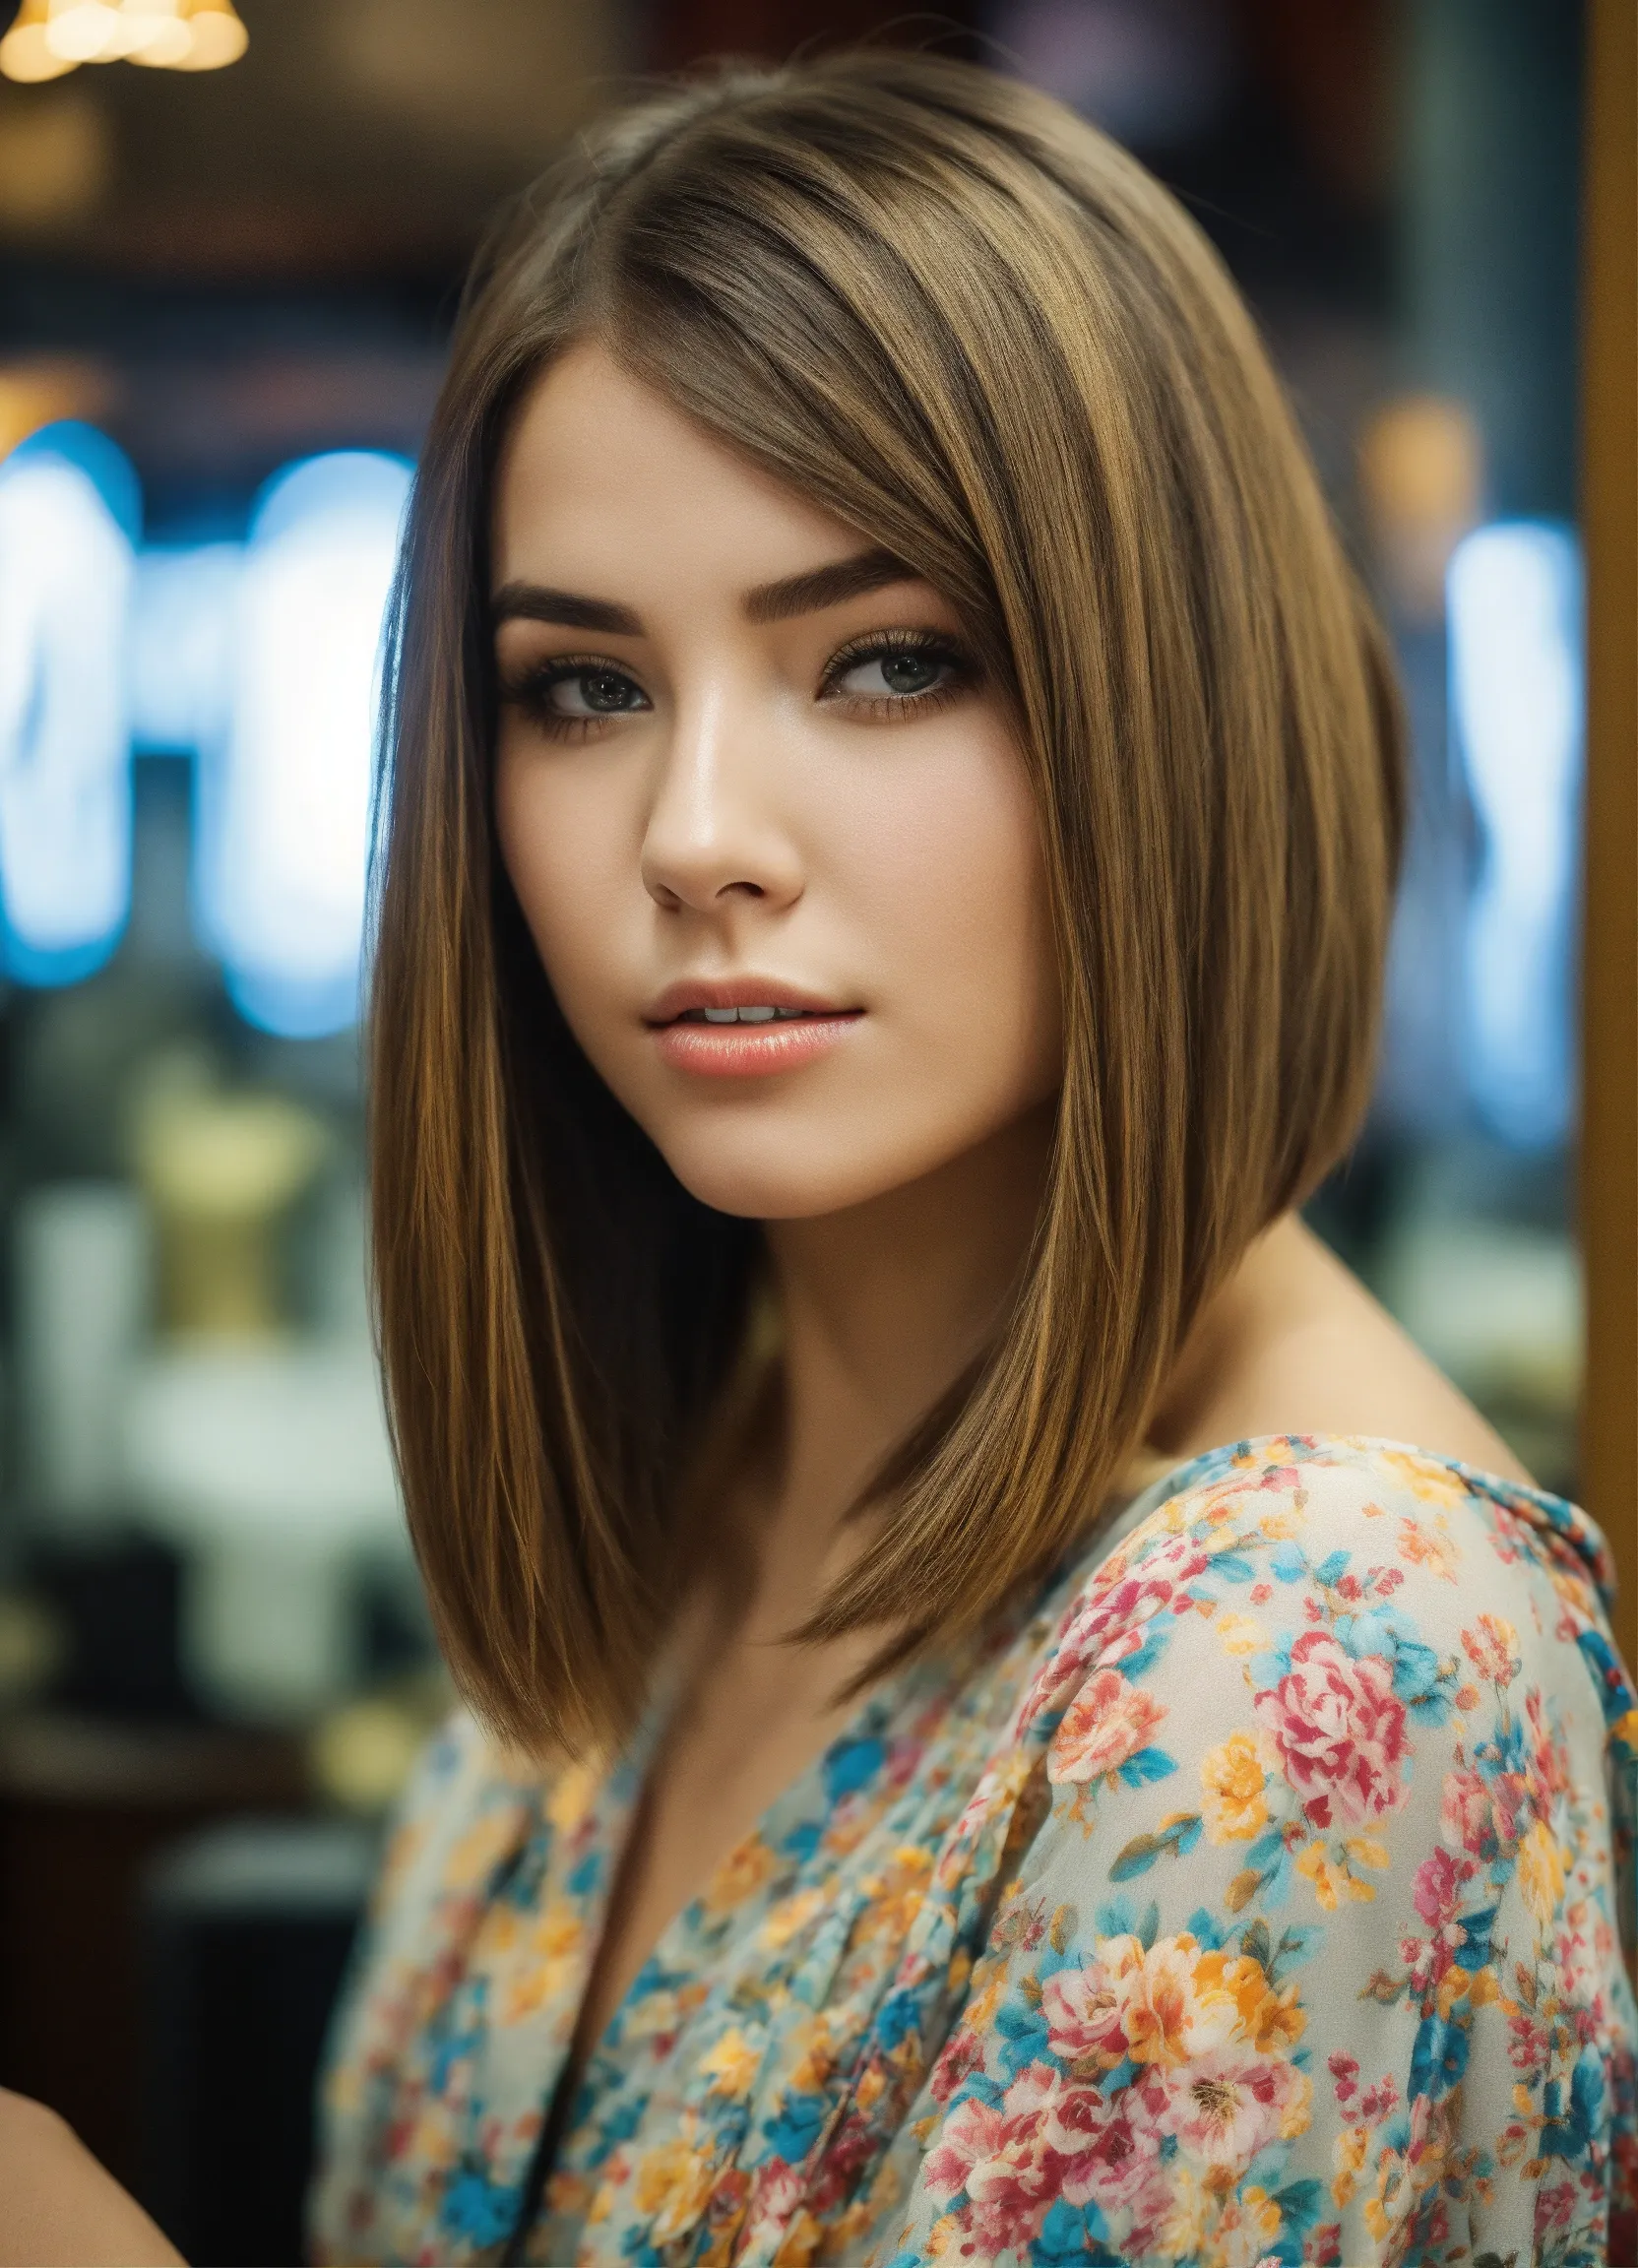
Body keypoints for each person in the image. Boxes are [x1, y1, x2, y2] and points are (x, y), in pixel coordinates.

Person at [1, 47, 1629, 2268]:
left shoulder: (1315, 1641)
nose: (692, 839)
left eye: (881, 663)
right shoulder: (697, 1457)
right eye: (582, 690)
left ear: (1165, 702)